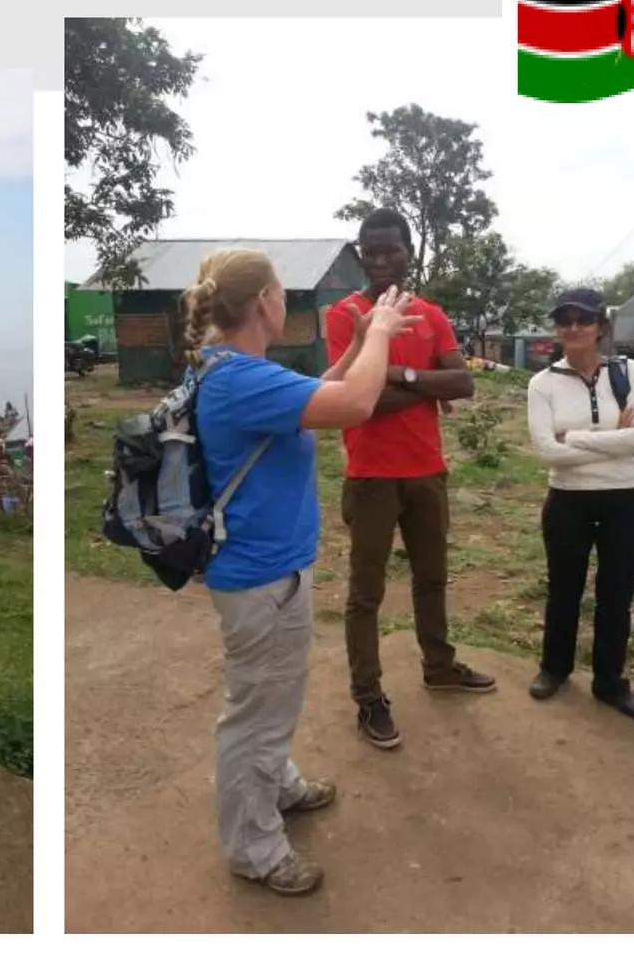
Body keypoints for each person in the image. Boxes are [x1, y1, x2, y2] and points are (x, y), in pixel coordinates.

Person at [186, 248, 411, 896]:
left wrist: (364, 340)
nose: (288, 301)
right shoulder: (237, 380)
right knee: (253, 712)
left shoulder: (234, 370)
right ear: (263, 301)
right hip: (259, 576)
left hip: (271, 569)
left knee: (272, 702)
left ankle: (276, 785)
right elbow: (358, 402)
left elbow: (328, 389)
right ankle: (253, 847)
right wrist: (386, 338)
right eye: (284, 291)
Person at [323, 208, 492, 752]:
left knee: (432, 579)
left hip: (427, 471)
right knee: (365, 595)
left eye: (389, 250)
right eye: (369, 251)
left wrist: (397, 375)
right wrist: (423, 387)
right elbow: (356, 401)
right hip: (370, 476)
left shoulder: (431, 314)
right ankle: (368, 696)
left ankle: (439, 667)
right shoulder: (345, 316)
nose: (379, 260)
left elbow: (463, 382)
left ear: (408, 250)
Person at [525, 288, 634, 721]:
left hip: (627, 502)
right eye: (564, 319)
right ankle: (555, 669)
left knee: (616, 596)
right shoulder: (542, 384)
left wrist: (576, 439)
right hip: (568, 502)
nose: (573, 328)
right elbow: (547, 451)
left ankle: (609, 683)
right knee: (563, 590)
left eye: (583, 319)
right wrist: (608, 441)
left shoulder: (629, 371)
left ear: (601, 326)